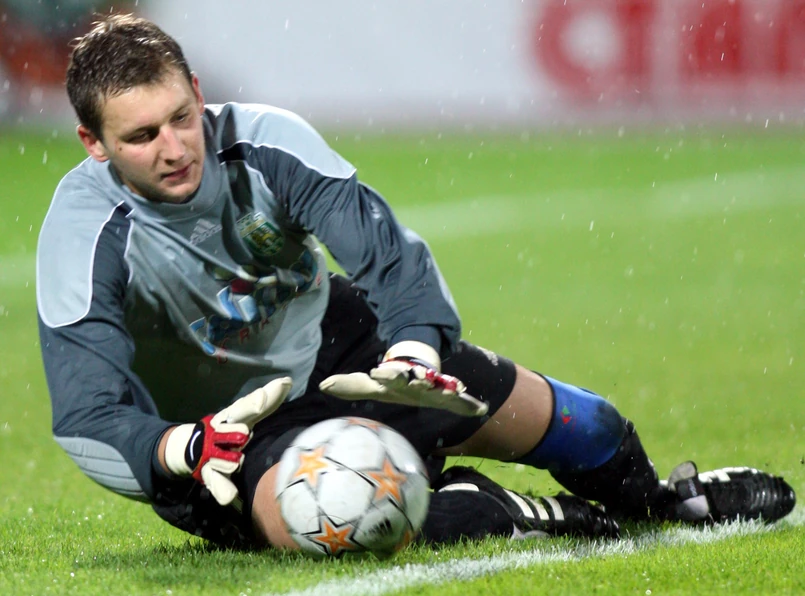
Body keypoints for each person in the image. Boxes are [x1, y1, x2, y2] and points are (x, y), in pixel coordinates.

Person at [37, 13, 795, 551]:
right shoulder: (82, 236)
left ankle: (666, 503)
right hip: (226, 435)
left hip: (341, 351)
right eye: (141, 136)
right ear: (93, 143)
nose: (174, 148)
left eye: (180, 117)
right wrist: (183, 447)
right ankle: (512, 512)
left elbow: (388, 258)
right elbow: (86, 415)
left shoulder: (267, 143)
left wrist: (411, 351)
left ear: (198, 91)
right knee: (351, 521)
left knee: (587, 427)